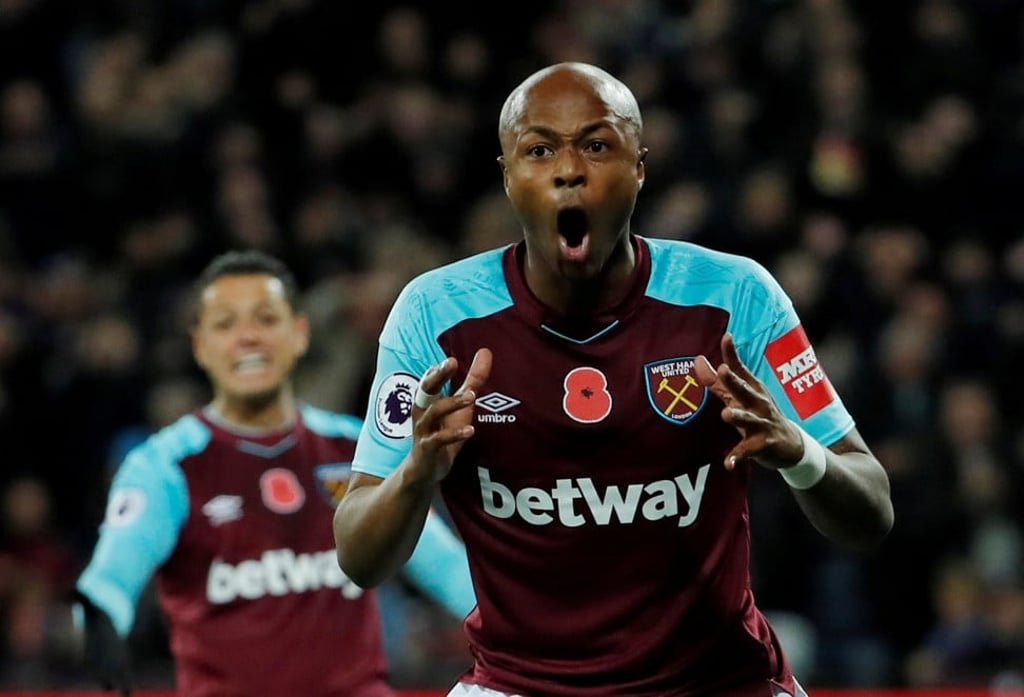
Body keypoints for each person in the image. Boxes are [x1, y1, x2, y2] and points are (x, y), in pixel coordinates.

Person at [332, 61, 894, 697]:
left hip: (718, 681)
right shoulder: (434, 315)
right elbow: (359, 555)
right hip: (520, 685)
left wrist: (799, 454)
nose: (570, 170)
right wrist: (416, 472)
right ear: (508, 178)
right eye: (540, 150)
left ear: (639, 168)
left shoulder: (736, 298)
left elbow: (871, 510)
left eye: (597, 146)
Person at [73, 249, 476, 697]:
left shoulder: (353, 449)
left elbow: (451, 573)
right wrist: (100, 630)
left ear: (299, 333)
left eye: (266, 318)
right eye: (225, 324)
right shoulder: (166, 465)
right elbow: (106, 585)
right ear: (199, 345)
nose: (248, 337)